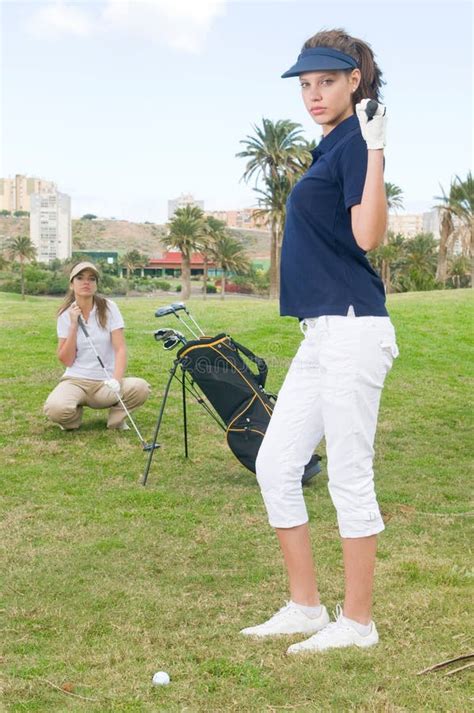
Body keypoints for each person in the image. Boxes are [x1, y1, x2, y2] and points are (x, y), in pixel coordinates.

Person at [240, 29, 399, 653]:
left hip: (355, 328)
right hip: (322, 332)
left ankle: (358, 624)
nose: (313, 93)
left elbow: (367, 236)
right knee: (275, 464)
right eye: (305, 84)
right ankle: (306, 608)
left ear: (354, 80)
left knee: (349, 478)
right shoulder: (328, 146)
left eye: (326, 81)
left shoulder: (358, 141)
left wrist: (379, 149)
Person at [44, 261, 150, 431]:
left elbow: (120, 349)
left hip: (105, 384)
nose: (86, 282)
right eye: (80, 278)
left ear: (96, 285)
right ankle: (73, 420)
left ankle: (116, 421)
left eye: (92, 279)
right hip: (75, 381)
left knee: (140, 387)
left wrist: (116, 379)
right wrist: (73, 325)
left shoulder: (109, 308)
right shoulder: (65, 315)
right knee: (55, 409)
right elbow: (66, 360)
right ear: (72, 284)